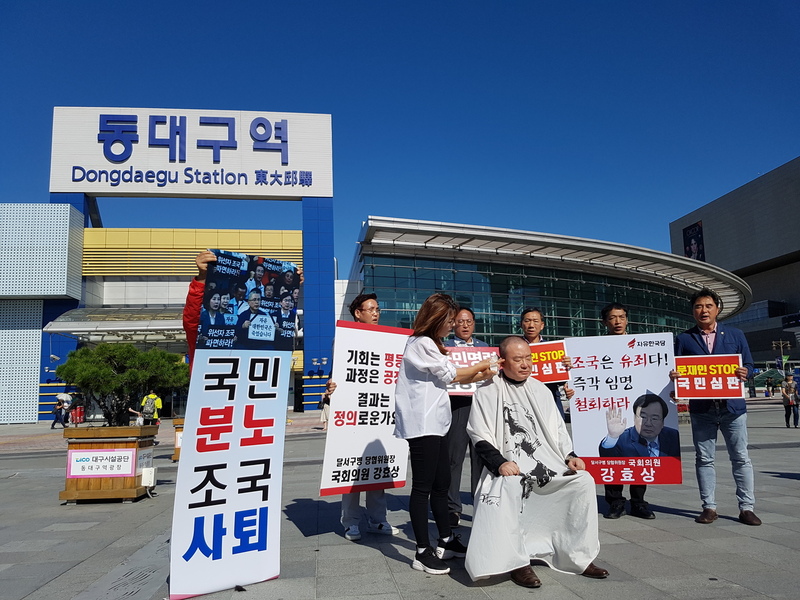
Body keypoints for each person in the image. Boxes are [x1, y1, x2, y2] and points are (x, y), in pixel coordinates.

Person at [465, 336, 608, 587]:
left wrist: (570, 456)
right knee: (510, 485)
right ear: (502, 361)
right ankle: (517, 562)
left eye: (528, 358)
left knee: (583, 481)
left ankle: (576, 555)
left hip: (545, 461)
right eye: (517, 359)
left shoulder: (540, 389)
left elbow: (557, 431)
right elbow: (479, 433)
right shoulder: (487, 390)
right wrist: (499, 463)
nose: (525, 364)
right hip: (508, 464)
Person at [393, 293, 496, 575]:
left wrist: (485, 373)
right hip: (421, 424)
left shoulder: (433, 345)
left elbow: (459, 376)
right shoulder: (421, 343)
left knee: (441, 484)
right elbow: (453, 375)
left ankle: (447, 539)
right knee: (423, 487)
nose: (452, 326)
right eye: (449, 321)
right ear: (436, 319)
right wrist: (483, 366)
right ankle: (422, 551)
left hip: (436, 423)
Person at [673, 288, 760, 526]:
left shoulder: (735, 334)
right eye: (699, 307)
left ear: (717, 309)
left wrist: (747, 372)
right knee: (704, 458)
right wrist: (675, 376)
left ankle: (746, 507)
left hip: (733, 409)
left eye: (708, 306)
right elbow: (676, 370)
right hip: (702, 409)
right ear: (693, 312)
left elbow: (750, 365)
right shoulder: (684, 339)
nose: (704, 310)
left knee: (741, 458)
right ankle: (709, 507)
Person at [329, 293, 400, 542]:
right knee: (351, 470)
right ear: (357, 313)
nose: (376, 313)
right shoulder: (345, 338)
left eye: (377, 309)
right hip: (353, 412)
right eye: (370, 309)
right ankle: (350, 522)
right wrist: (332, 388)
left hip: (378, 412)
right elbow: (337, 373)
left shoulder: (388, 339)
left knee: (378, 468)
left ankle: (378, 519)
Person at [599, 302, 655, 520]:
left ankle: (639, 502)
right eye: (612, 318)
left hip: (637, 408)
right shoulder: (594, 348)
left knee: (639, 456)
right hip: (609, 408)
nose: (617, 322)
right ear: (604, 322)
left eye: (621, 317)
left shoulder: (642, 346)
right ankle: (615, 502)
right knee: (611, 455)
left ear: (627, 320)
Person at [443, 307, 489, 528]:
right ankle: (453, 508)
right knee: (454, 457)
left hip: (481, 405)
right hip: (457, 406)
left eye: (468, 321)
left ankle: (481, 504)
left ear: (474, 323)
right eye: (460, 321)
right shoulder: (446, 347)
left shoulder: (484, 348)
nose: (464, 325)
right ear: (453, 324)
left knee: (481, 457)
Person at [519, 308, 573, 418]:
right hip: (522, 400)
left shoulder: (554, 349)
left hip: (550, 400)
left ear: (542, 325)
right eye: (527, 321)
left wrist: (567, 367)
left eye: (535, 321)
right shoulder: (514, 347)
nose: (531, 325)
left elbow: (563, 380)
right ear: (521, 324)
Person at [600, 393, 681, 458]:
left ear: (663, 422)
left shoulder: (674, 436)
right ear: (634, 418)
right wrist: (612, 437)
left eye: (655, 418)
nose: (648, 423)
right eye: (643, 417)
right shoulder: (621, 439)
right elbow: (607, 458)